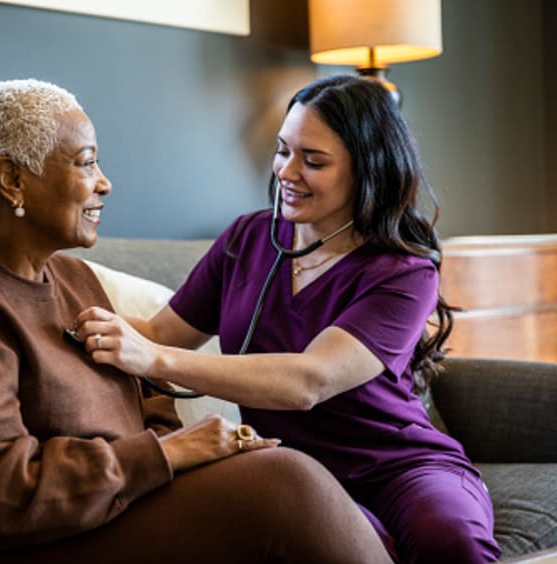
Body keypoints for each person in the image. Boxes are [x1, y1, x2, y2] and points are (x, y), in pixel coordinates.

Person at [0, 78, 394, 563]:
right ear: (12, 180)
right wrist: (164, 454)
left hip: (108, 506)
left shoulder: (74, 279)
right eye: (85, 162)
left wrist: (195, 452)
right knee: (286, 487)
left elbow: (148, 404)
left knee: (287, 483)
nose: (104, 183)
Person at [74, 75, 502, 563]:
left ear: (368, 169)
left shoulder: (403, 272)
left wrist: (155, 359)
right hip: (293, 470)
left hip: (400, 467)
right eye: (283, 151)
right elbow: (159, 331)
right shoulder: (247, 240)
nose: (286, 171)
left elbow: (309, 381)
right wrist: (55, 312)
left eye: (313, 160)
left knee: (451, 543)